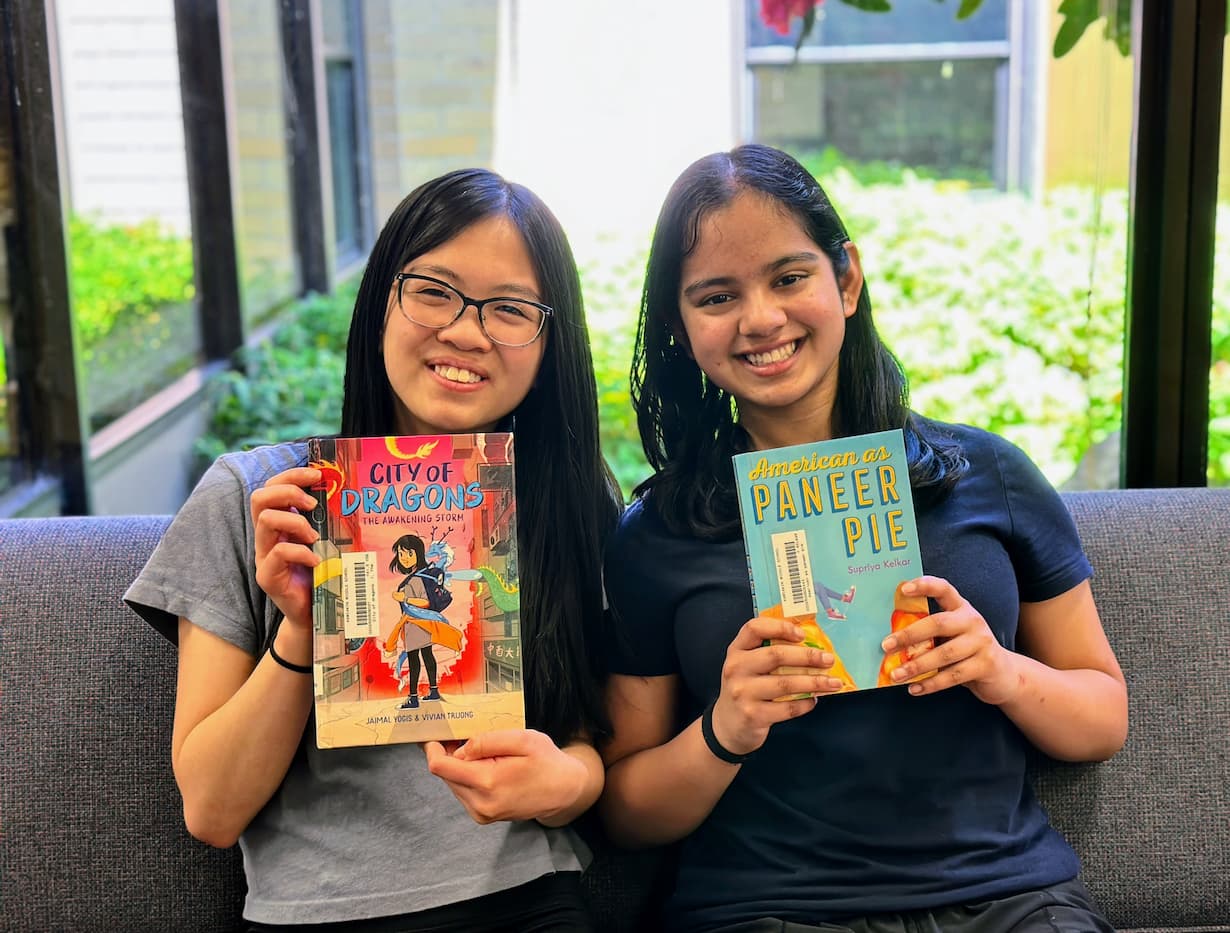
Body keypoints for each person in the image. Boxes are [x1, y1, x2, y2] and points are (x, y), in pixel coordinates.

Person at [599, 144, 1128, 933]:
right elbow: (624, 809)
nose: (761, 319)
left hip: (1010, 900)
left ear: (845, 278)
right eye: (717, 296)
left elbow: (1103, 716)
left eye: (789, 277)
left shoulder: (988, 475)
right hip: (767, 910)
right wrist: (724, 729)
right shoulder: (659, 533)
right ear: (681, 327)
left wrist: (1000, 670)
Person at [124, 167, 623, 931]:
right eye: (434, 291)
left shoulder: (569, 499)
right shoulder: (258, 497)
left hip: (529, 896)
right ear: (380, 300)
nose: (466, 331)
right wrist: (301, 625)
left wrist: (567, 784)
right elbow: (212, 809)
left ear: (550, 341)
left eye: (511, 309)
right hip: (319, 910)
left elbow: (588, 743)